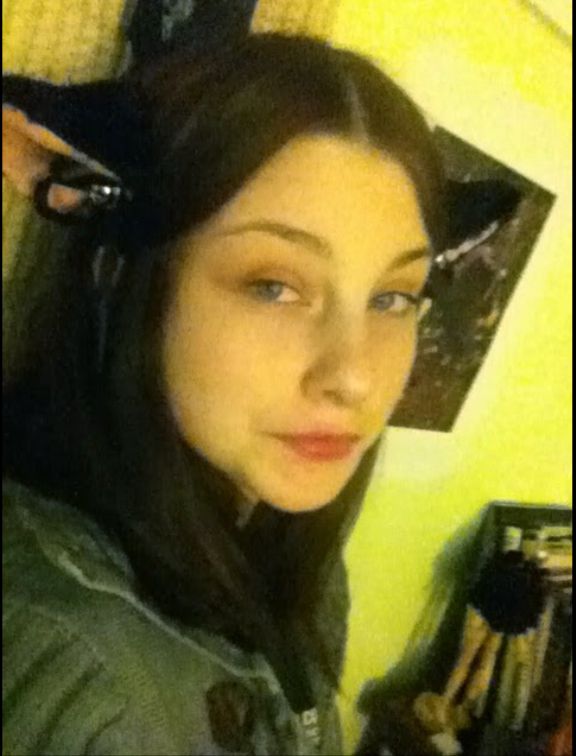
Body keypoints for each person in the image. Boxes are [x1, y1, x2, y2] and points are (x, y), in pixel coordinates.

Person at [2, 33, 447, 755]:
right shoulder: (77, 667)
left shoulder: (291, 544)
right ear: (121, 276)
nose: (355, 377)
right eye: (274, 286)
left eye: (393, 297)